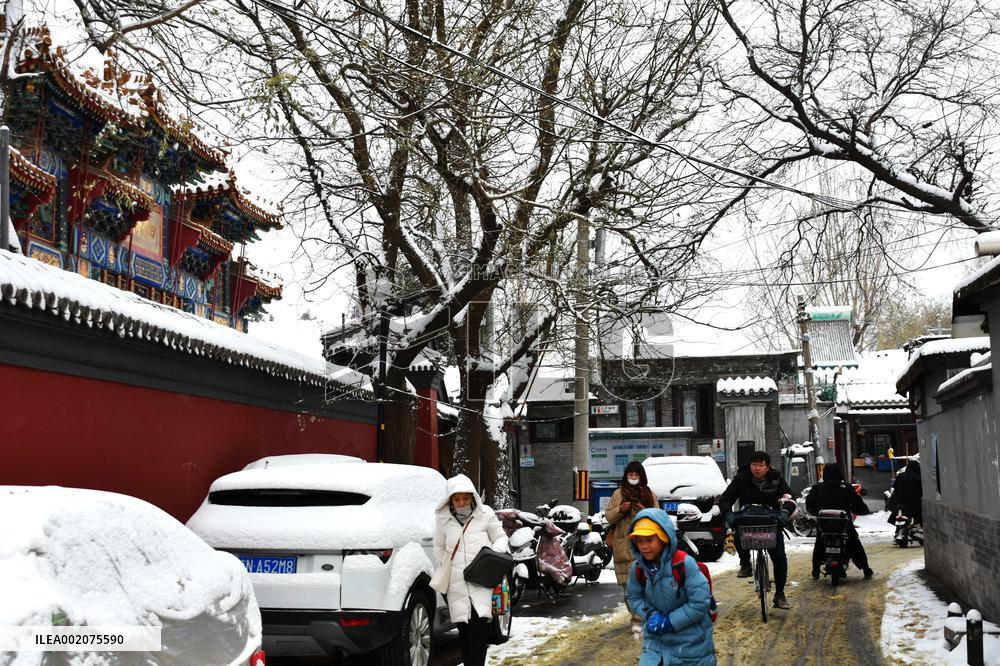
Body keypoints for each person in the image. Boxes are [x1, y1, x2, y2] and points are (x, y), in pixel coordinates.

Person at [433, 474, 509, 666]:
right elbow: (439, 548)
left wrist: (494, 553)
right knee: (464, 632)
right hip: (455, 584)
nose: (461, 503)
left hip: (480, 581)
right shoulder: (443, 519)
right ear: (450, 499)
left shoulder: (486, 514)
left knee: (478, 631)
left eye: (466, 498)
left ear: (473, 496)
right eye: (457, 499)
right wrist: (446, 566)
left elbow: (501, 537)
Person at [626, 508, 716, 666]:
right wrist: (649, 614)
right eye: (639, 541)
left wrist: (669, 621)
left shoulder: (684, 564)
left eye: (649, 540)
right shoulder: (639, 568)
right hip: (656, 644)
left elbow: (700, 602)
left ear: (664, 537)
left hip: (690, 645)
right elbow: (633, 596)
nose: (644, 546)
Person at [716, 450, 796, 610]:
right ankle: (745, 563)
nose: (757, 468)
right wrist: (728, 514)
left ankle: (780, 594)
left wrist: (785, 512)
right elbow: (726, 499)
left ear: (768, 467)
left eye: (761, 465)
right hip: (747, 523)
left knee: (780, 557)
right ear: (750, 466)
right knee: (738, 533)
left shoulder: (776, 479)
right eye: (754, 464)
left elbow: (790, 498)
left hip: (771, 524)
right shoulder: (741, 479)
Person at [605, 461, 659, 635]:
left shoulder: (649, 494)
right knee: (629, 588)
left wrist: (644, 510)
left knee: (648, 585)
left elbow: (658, 516)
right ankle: (637, 617)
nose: (634, 478)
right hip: (624, 546)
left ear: (642, 477)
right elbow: (609, 516)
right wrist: (621, 509)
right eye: (631, 475)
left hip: (646, 545)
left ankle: (648, 618)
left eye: (637, 475)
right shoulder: (618, 494)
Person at [805, 464, 873, 580]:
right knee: (854, 542)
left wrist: (815, 512)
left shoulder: (817, 488)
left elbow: (809, 505)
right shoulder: (846, 487)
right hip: (844, 525)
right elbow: (858, 504)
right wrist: (862, 510)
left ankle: (815, 571)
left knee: (819, 543)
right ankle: (866, 570)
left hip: (824, 526)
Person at [886, 460, 923, 525]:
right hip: (914, 504)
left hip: (899, 503)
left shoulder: (900, 476)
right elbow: (921, 490)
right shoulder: (918, 478)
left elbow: (895, 487)